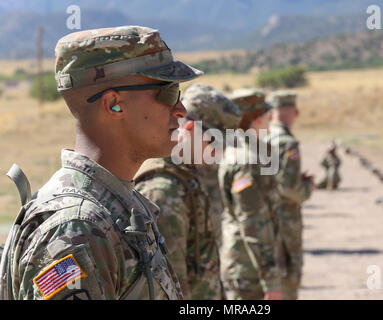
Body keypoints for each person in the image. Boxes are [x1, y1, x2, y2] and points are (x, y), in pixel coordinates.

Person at [0, 26, 203, 300]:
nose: (181, 110)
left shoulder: (119, 205)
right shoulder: (77, 229)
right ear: (114, 104)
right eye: (169, 92)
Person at [134, 84, 241, 299]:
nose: (220, 153)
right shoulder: (164, 190)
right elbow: (169, 287)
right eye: (216, 143)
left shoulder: (187, 175)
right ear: (191, 129)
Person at [219, 88, 282, 300]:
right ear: (256, 121)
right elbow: (252, 221)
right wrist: (270, 280)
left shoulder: (239, 151)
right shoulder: (248, 161)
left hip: (246, 261)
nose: (271, 122)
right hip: (249, 268)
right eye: (268, 117)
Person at [265, 90, 314, 300]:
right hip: (285, 221)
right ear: (295, 112)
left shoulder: (262, 138)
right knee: (288, 280)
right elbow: (291, 189)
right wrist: (308, 187)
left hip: (265, 219)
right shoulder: (287, 143)